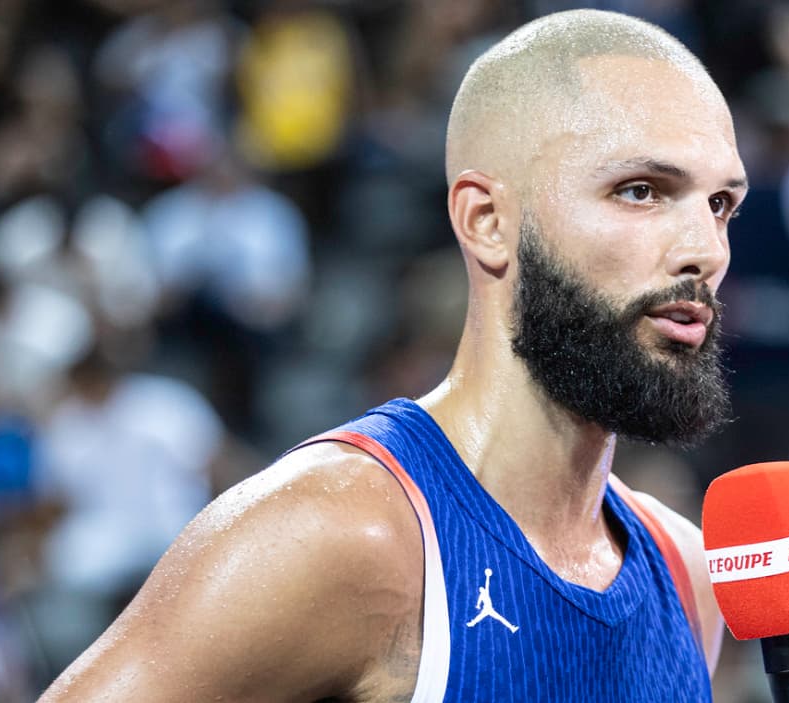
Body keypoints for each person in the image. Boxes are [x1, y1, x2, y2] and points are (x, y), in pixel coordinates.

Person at [40, 9, 745, 702]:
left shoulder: (687, 574)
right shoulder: (341, 531)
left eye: (720, 204)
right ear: (487, 221)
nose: (705, 251)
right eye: (642, 190)